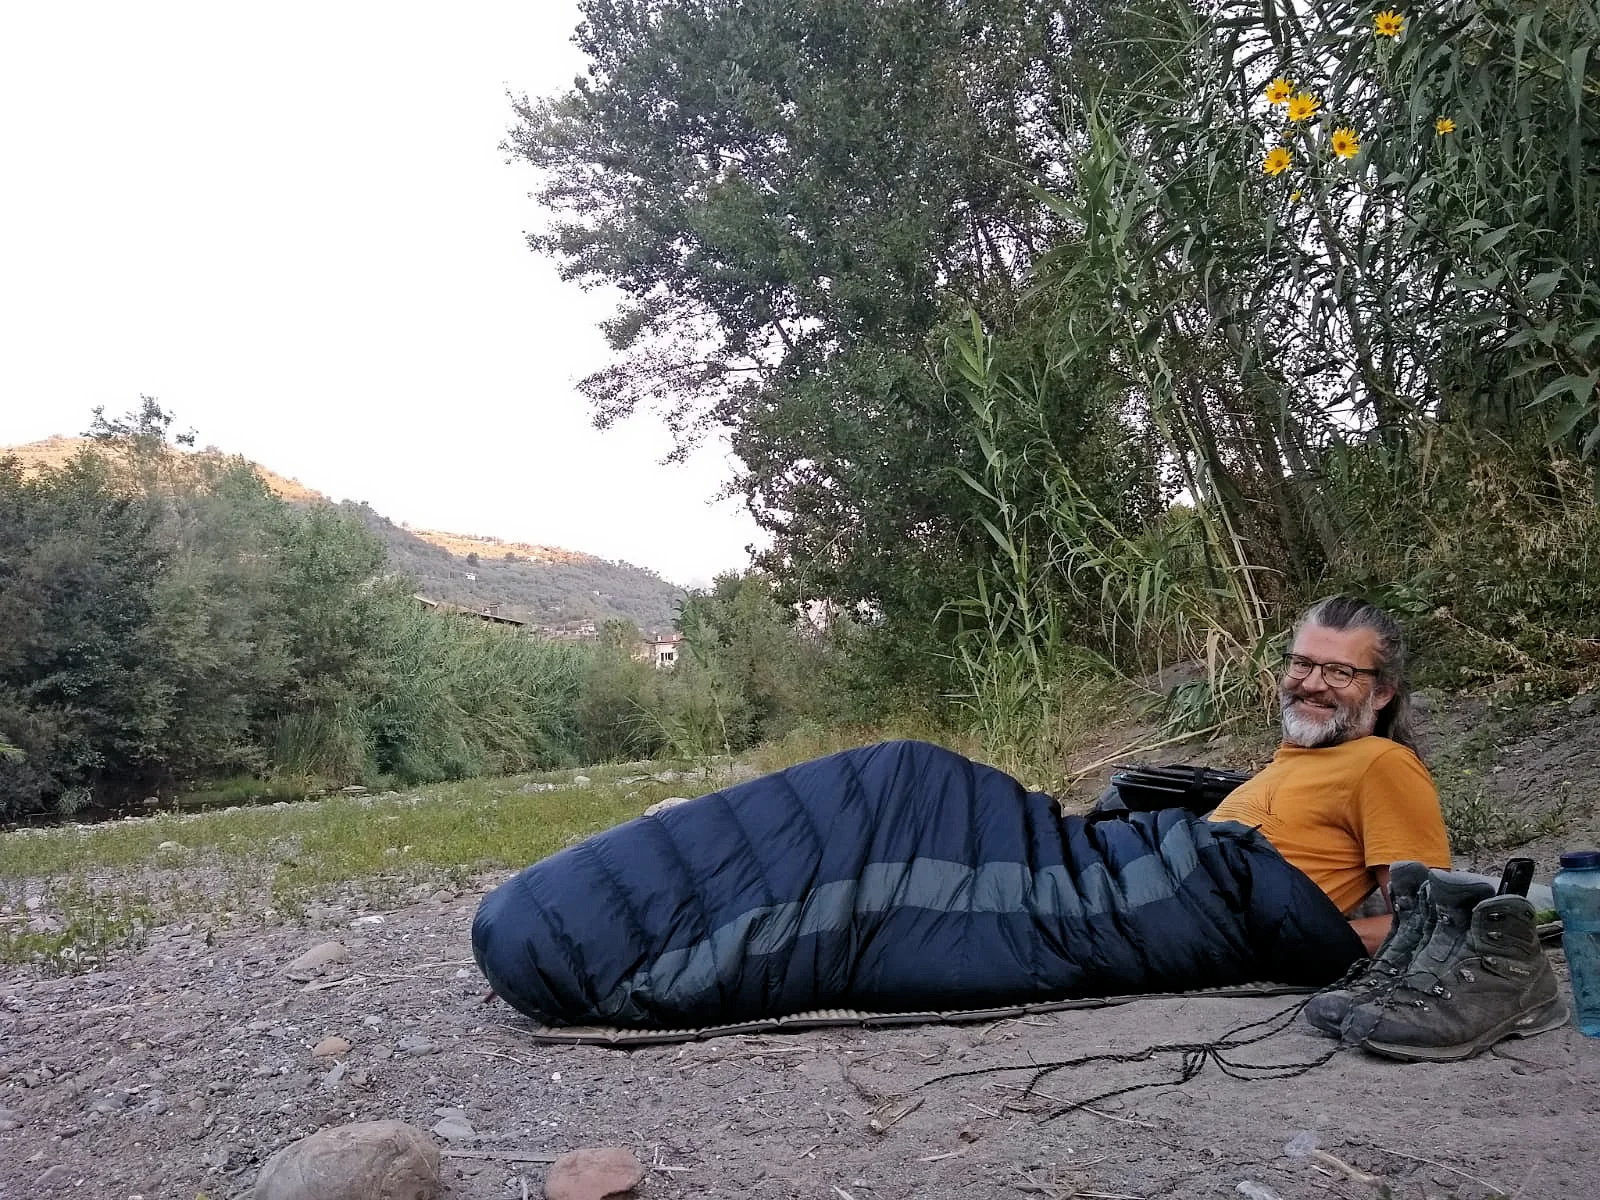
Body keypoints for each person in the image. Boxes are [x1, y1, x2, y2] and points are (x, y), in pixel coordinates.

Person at [1207, 596, 1451, 952]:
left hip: (1185, 926)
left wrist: (1286, 945)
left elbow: (1427, 922)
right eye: (1302, 663)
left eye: (1339, 672)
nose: (1312, 684)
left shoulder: (1382, 764)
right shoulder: (1287, 763)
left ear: (1380, 693)